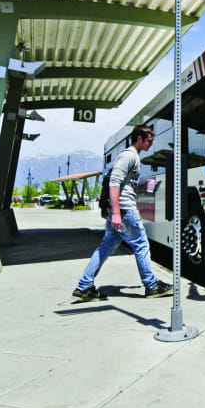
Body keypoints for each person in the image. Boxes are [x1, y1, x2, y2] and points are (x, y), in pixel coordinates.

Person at [72, 125, 172, 301]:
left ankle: (84, 287)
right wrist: (117, 213)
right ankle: (152, 286)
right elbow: (114, 182)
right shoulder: (129, 156)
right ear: (139, 138)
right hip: (125, 210)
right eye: (149, 140)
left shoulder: (133, 156)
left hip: (121, 210)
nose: (151, 144)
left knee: (105, 248)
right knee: (141, 245)